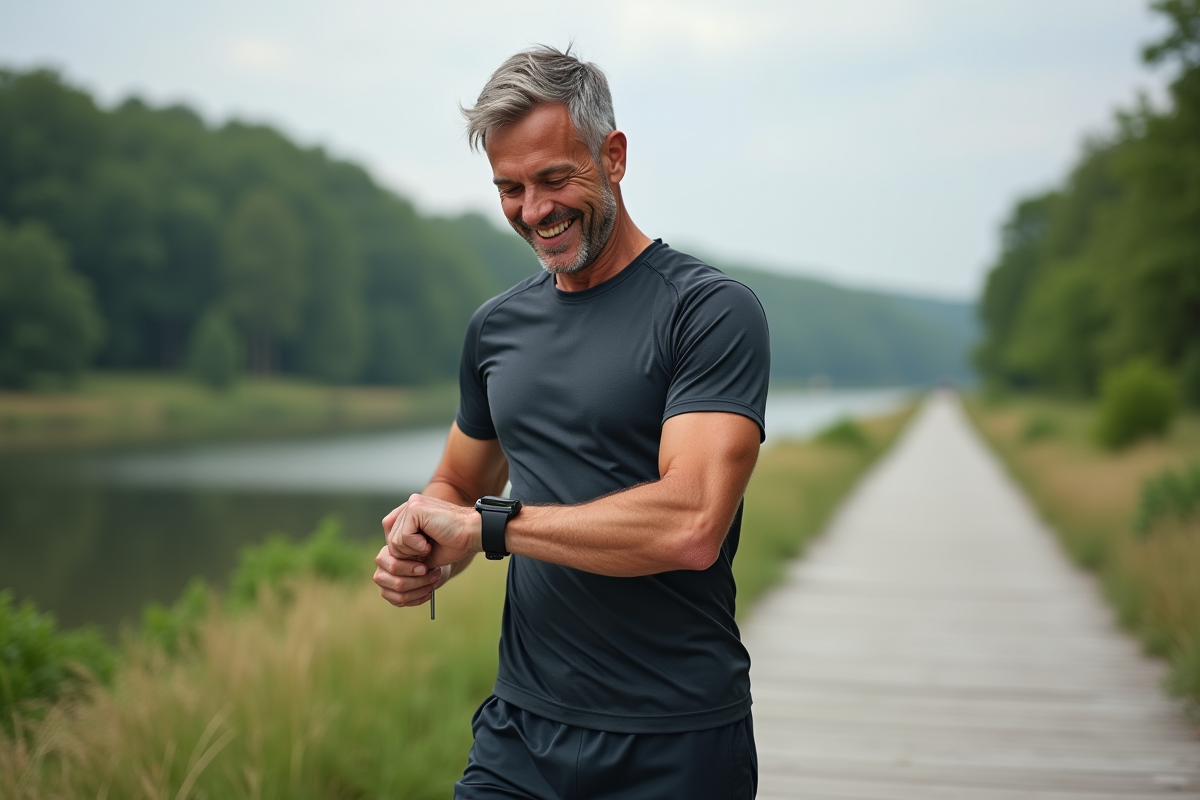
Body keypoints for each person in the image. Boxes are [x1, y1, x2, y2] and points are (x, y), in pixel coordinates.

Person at [372, 45, 770, 799]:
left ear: (612, 156)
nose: (534, 210)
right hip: (520, 733)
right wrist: (427, 543)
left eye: (555, 179)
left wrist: (488, 529)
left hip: (675, 741)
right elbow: (459, 479)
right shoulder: (497, 328)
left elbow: (690, 525)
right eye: (510, 188)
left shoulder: (710, 311)